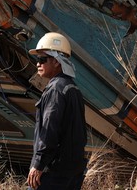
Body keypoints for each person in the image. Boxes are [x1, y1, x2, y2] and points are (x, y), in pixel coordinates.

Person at [26, 32, 88, 190]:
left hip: (54, 172)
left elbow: (49, 130)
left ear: (56, 61)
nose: (38, 64)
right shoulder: (72, 88)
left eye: (42, 59)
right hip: (73, 171)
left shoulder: (55, 89)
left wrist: (38, 164)